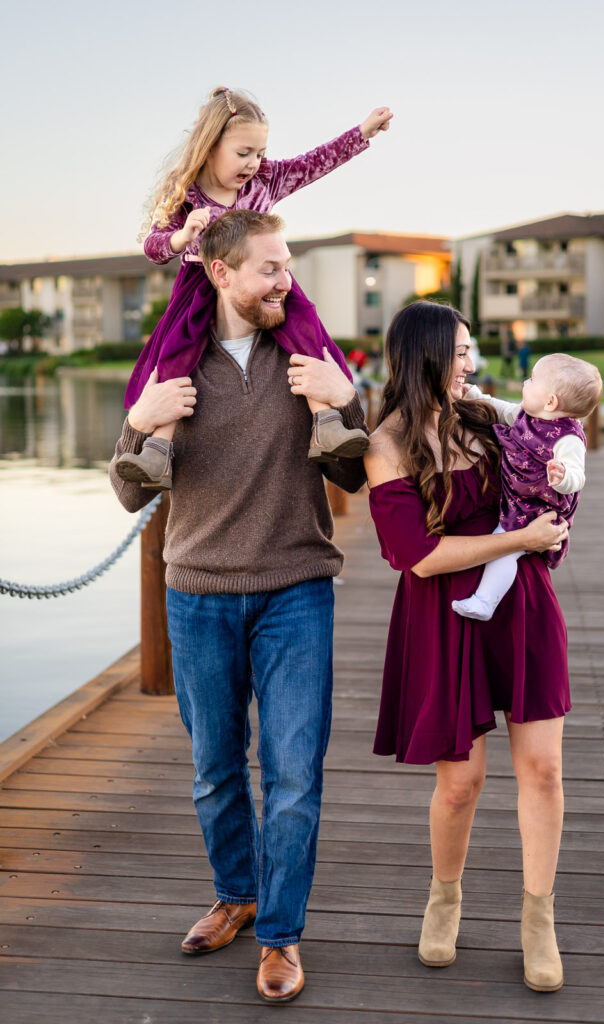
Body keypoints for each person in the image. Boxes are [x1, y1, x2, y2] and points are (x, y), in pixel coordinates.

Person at [110, 210, 368, 1003]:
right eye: (269, 268)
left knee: (292, 775)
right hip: (198, 596)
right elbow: (128, 493)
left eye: (287, 265)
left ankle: (280, 937)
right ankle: (237, 893)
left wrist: (346, 401)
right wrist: (142, 424)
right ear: (219, 273)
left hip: (296, 591)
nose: (284, 280)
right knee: (215, 770)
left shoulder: (308, 360)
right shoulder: (174, 369)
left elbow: (355, 479)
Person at [364, 301, 571, 993]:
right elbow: (417, 557)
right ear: (423, 356)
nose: (470, 363)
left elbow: (544, 471)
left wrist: (555, 514)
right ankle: (443, 899)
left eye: (470, 350)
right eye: (458, 352)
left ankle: (537, 919)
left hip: (523, 606)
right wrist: (520, 540)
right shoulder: (387, 443)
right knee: (460, 784)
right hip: (444, 614)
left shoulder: (482, 419)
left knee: (541, 770)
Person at [115, 86, 392, 487]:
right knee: (176, 357)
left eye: (259, 152)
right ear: (210, 147)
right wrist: (182, 237)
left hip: (263, 279)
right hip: (200, 283)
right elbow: (153, 247)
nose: (254, 163)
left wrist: (361, 133)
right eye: (243, 153)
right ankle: (158, 449)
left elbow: (314, 163)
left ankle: (327, 422)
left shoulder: (265, 180)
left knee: (307, 333)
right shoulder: (187, 195)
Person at [451, 353, 602, 621]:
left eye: (532, 379)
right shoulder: (525, 416)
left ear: (550, 401)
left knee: (505, 545)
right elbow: (496, 407)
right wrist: (472, 393)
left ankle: (485, 601)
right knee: (505, 544)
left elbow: (578, 475)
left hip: (536, 510)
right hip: (518, 496)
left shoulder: (568, 438)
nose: (525, 381)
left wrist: (563, 475)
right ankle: (485, 599)